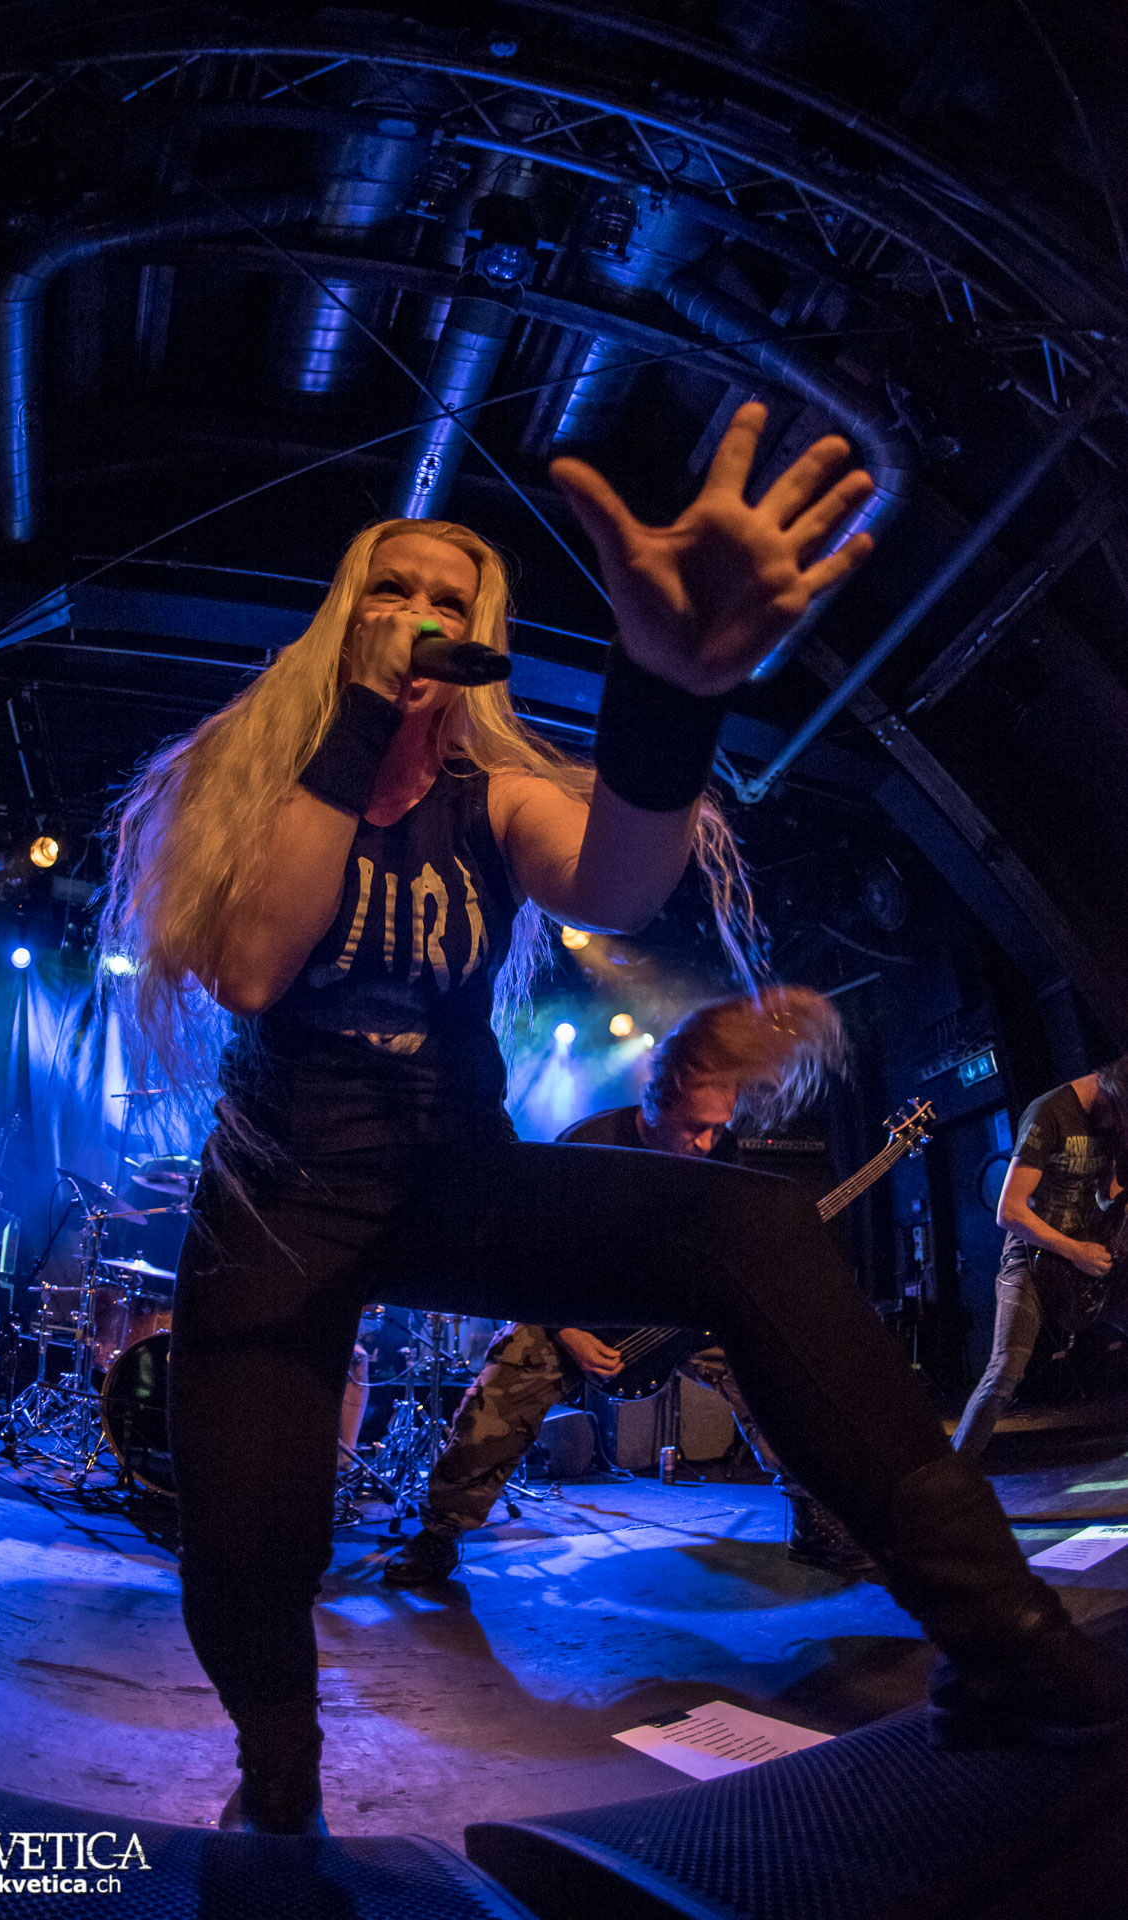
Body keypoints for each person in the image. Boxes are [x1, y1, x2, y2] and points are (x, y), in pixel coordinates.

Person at [102, 404, 1125, 1836]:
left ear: (480, 637)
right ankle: (277, 1778)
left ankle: (1007, 1644)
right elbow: (258, 966)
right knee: (249, 1548)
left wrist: (669, 689)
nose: (416, 617)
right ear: (345, 613)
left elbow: (618, 884)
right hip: (277, 1198)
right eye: (389, 589)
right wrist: (353, 734)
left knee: (750, 1229)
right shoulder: (254, 778)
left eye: (448, 600)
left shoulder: (491, 797)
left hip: (448, 1173)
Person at [382, 990, 873, 1587]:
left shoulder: (723, 1152)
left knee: (776, 1379)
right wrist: (567, 1330)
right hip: (574, 1306)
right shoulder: (587, 1145)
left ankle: (814, 1517)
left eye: (717, 1129)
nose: (706, 1144)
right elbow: (528, 1255)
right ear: (655, 1104)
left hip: (678, 1308)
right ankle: (438, 1533)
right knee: (501, 1395)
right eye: (693, 1128)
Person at [954, 1057, 1127, 1457]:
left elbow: (1105, 1195)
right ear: (1110, 1093)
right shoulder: (1049, 1113)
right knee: (1004, 1372)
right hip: (1034, 1255)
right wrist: (1074, 1250)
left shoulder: (1113, 1117)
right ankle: (952, 1472)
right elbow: (1009, 1211)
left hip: (1087, 1256)